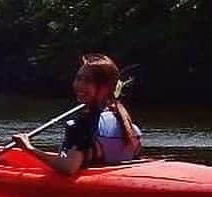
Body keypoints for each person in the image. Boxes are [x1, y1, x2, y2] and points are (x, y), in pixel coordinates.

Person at [12, 54, 142, 176]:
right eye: (79, 79)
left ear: (105, 88)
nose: (79, 85)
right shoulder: (127, 123)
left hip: (88, 192)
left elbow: (69, 167)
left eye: (87, 81)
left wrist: (28, 148)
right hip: (111, 183)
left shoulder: (82, 125)